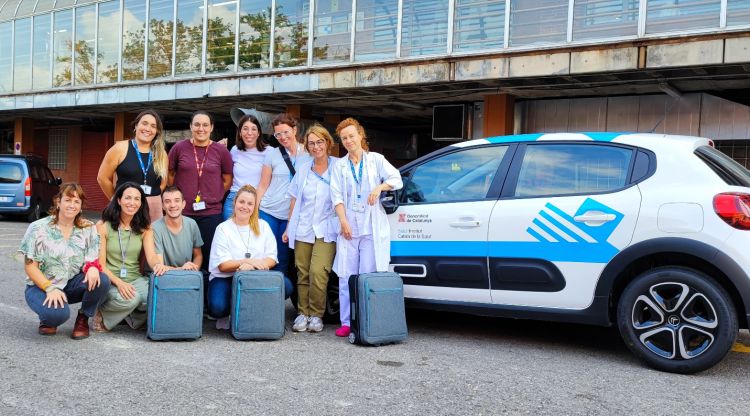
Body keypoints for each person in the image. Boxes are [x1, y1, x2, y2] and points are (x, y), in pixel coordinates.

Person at [330, 118, 403, 337]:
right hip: (349, 227)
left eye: (352, 136)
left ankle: (366, 319)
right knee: (346, 275)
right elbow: (336, 196)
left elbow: (396, 178)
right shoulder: (340, 166)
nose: (349, 140)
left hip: (371, 227)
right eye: (344, 138)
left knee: (367, 275)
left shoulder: (376, 160)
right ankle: (346, 321)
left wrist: (379, 187)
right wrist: (343, 221)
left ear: (360, 135)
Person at [19, 183, 110, 339]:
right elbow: (30, 267)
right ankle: (48, 318)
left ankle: (83, 317)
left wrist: (92, 267)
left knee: (102, 280)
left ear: (81, 207)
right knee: (58, 316)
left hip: (71, 284)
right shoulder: (38, 228)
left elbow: (92, 257)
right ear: (58, 202)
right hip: (41, 286)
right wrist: (49, 288)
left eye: (76, 202)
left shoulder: (88, 228)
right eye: (68, 200)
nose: (72, 205)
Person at [208, 185, 293, 329]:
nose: (244, 207)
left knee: (287, 286)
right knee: (218, 307)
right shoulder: (223, 228)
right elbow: (223, 265)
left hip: (256, 276)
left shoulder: (263, 226)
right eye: (241, 202)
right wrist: (247, 261)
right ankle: (228, 313)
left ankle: (254, 310)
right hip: (227, 277)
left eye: (250, 204)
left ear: (255, 206)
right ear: (235, 202)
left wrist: (252, 266)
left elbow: (272, 258)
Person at [282, 124, 338, 332]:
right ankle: (302, 313)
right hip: (303, 226)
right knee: (302, 272)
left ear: (327, 143)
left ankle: (316, 314)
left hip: (326, 228)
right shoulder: (304, 170)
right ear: (307, 147)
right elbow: (294, 200)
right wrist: (289, 227)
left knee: (318, 271)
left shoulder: (338, 167)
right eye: (312, 143)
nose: (316, 147)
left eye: (320, 142)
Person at [168, 110, 233, 271]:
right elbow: (170, 174)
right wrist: (178, 198)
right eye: (197, 124)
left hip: (211, 213)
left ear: (211, 127)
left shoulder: (221, 151)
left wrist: (214, 194)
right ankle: (186, 290)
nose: (201, 128)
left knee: (209, 254)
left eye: (205, 125)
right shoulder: (179, 148)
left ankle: (206, 292)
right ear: (191, 126)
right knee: (183, 255)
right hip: (183, 213)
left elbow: (227, 179)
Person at [93, 182, 159, 332]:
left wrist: (160, 266)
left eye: (137, 199)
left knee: (156, 297)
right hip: (110, 279)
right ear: (119, 200)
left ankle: (129, 318)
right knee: (132, 299)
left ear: (141, 203)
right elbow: (100, 264)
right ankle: (102, 315)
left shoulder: (145, 228)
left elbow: (152, 258)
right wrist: (119, 283)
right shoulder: (103, 226)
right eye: (128, 198)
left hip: (135, 279)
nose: (132, 203)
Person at [256, 113, 309, 287]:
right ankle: (263, 289)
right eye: (278, 134)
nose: (283, 137)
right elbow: (263, 185)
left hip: (293, 215)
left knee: (284, 256)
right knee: (265, 253)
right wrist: (254, 211)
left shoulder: (309, 153)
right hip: (269, 211)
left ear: (294, 130)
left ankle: (278, 293)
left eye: (286, 132)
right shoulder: (272, 154)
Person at [97, 109, 168, 222]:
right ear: (136, 126)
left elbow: (163, 183)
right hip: (127, 206)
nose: (148, 129)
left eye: (153, 126)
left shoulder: (161, 154)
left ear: (157, 131)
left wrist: (151, 198)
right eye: (144, 123)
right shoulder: (120, 148)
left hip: (153, 209)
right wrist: (116, 198)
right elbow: (102, 178)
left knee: (152, 239)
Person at [222, 114, 270, 220]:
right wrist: (218, 149)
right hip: (234, 198)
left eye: (253, 129)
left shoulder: (270, 152)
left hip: (258, 200)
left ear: (259, 133)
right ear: (239, 133)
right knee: (230, 234)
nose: (249, 133)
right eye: (245, 129)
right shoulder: (234, 150)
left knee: (253, 235)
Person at [151, 186, 204, 275]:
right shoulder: (155, 228)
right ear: (163, 206)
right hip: (163, 276)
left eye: (177, 200)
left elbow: (198, 255)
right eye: (167, 201)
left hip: (188, 274)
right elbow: (160, 266)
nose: (172, 205)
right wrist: (182, 269)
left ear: (183, 204)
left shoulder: (192, 224)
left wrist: (193, 269)